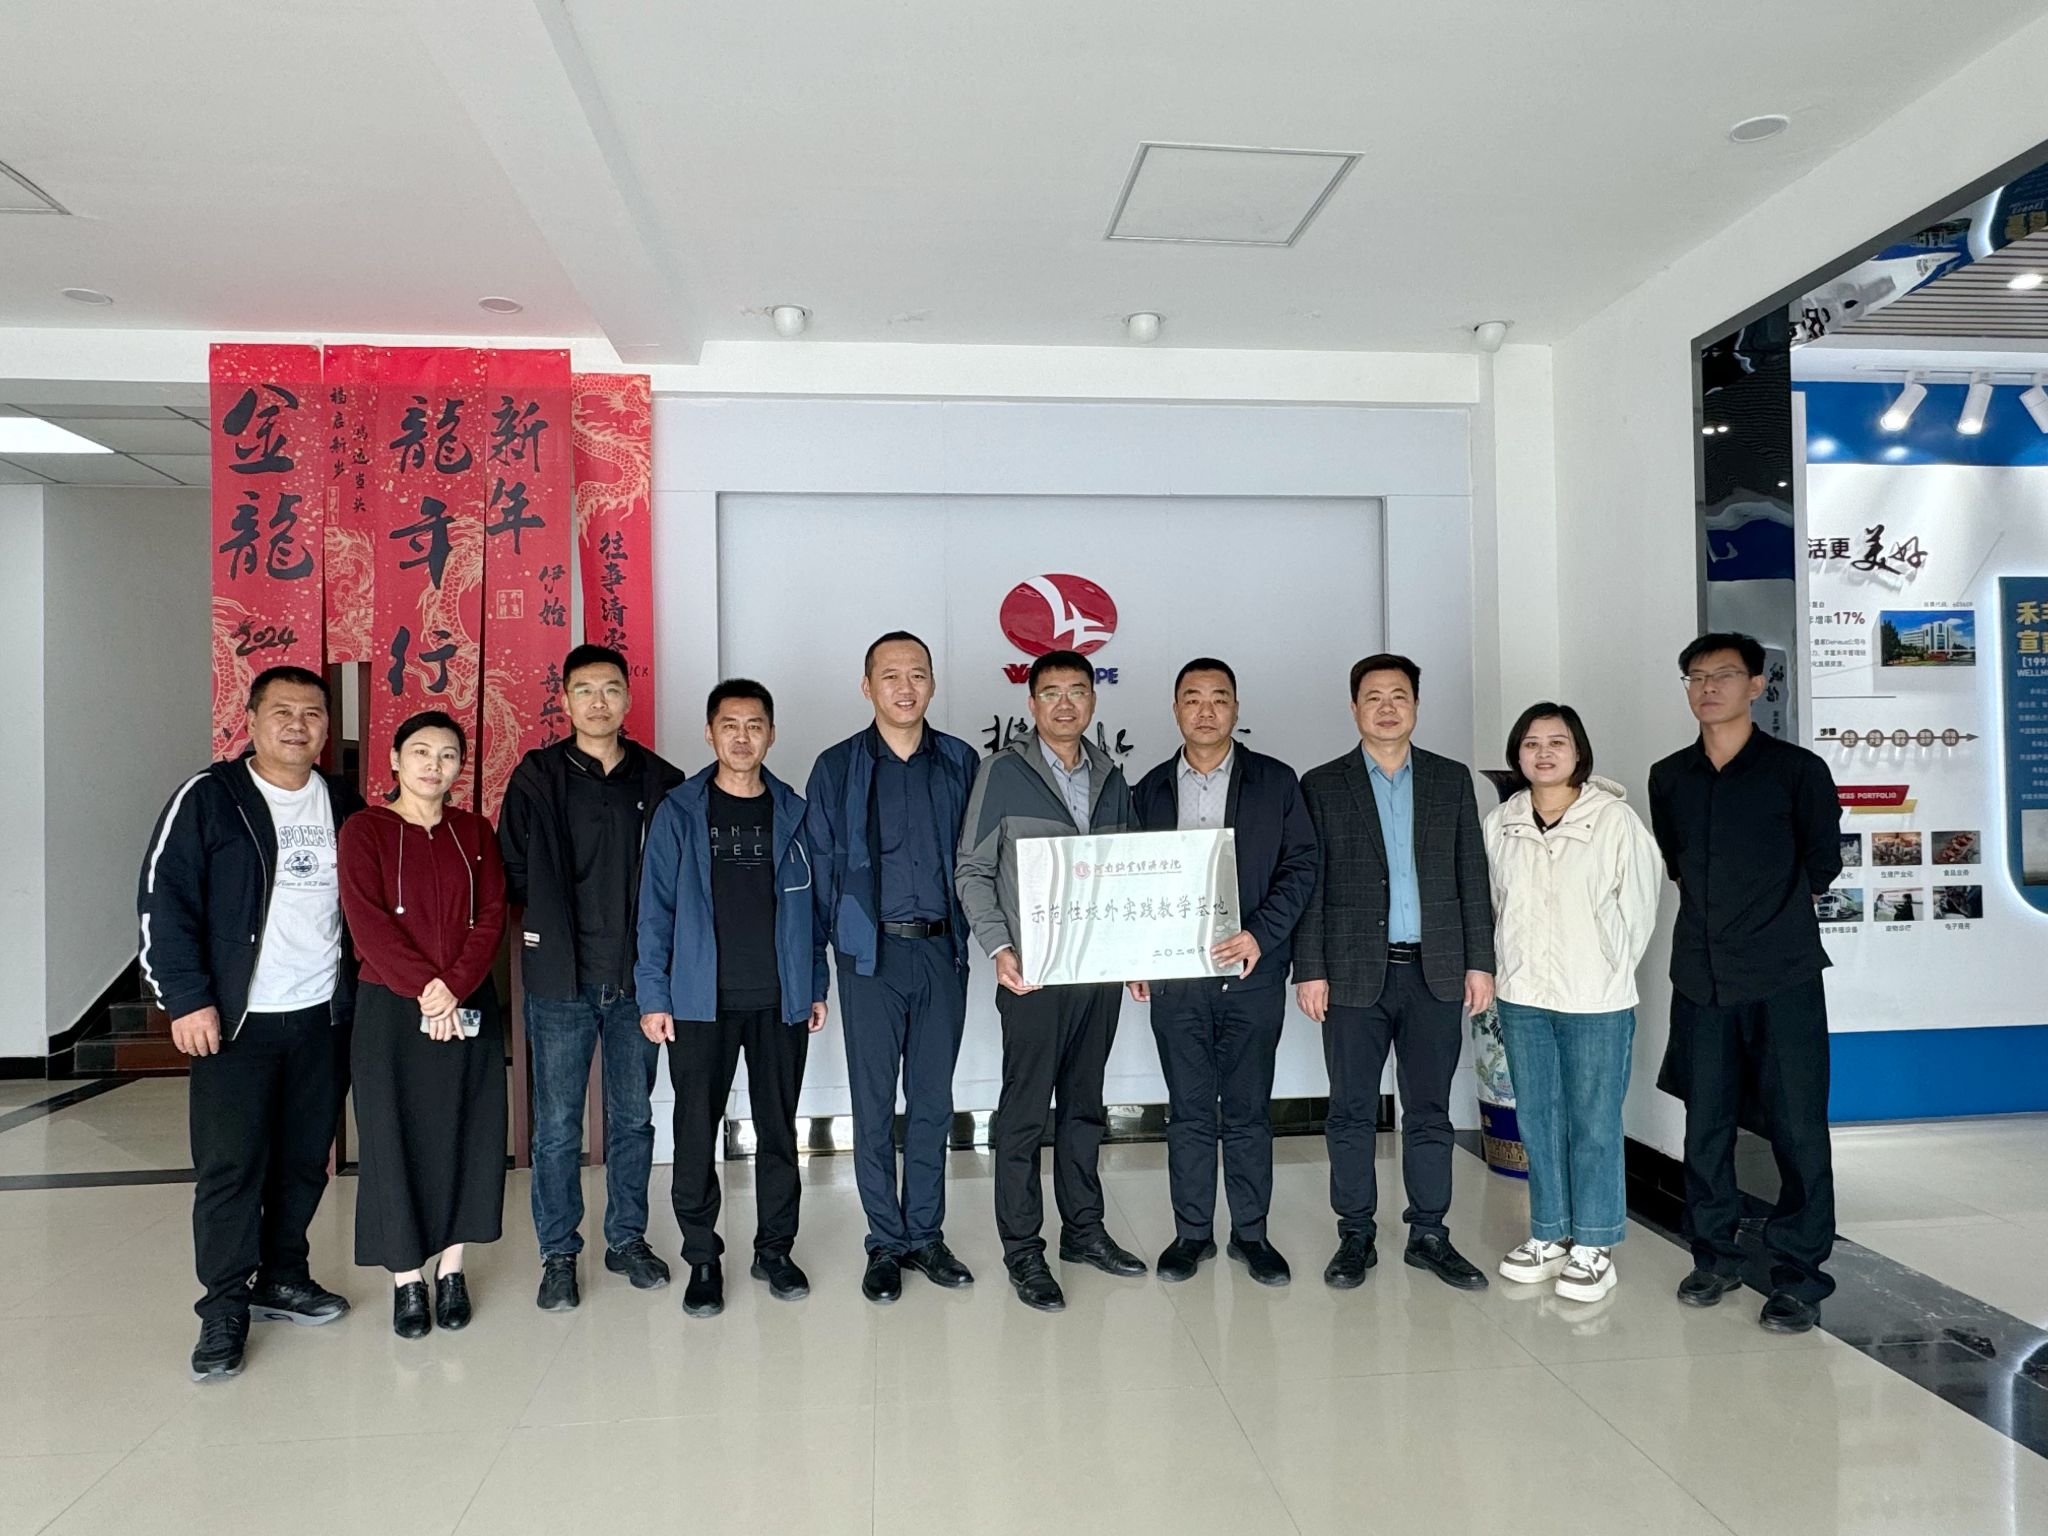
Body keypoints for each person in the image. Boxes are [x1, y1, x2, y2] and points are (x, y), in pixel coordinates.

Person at [139, 665, 364, 1382]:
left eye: (312, 714)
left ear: (327, 728)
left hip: (322, 1015)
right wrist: (185, 998)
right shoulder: (209, 798)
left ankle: (283, 1277)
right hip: (235, 1022)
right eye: (282, 712)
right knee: (232, 1167)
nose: (298, 725)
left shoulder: (344, 802)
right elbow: (164, 900)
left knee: (304, 1158)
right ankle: (224, 1306)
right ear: (253, 720)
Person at [1650, 632, 1842, 1333]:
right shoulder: (1669, 776)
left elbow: (1822, 863)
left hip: (1783, 974)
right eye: (1695, 676)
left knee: (1797, 1127)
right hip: (1701, 975)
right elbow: (1676, 863)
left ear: (1757, 685)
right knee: (1705, 1125)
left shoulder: (1797, 771)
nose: (1708, 688)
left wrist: (1768, 917)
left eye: (1724, 675)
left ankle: (1799, 1275)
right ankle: (1715, 1256)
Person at [1295, 654, 1496, 1292]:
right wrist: (1310, 969)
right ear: (1354, 708)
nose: (1387, 707)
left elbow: (1471, 875)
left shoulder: (1449, 779)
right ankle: (1355, 1232)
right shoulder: (1321, 785)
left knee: (1430, 1110)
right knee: (1351, 1110)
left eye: (1399, 695)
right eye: (1374, 697)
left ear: (1415, 705)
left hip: (1435, 971)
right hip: (1352, 973)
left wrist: (1480, 961)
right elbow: (1310, 884)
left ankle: (1429, 1233)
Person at [956, 648, 1144, 1311]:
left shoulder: (1111, 777)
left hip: (1098, 975)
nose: (1066, 703)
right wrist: (999, 947)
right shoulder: (1002, 773)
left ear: (1093, 700)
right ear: (1031, 703)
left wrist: (1135, 955)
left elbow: (1129, 870)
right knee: (1025, 1112)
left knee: (1085, 1106)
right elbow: (973, 870)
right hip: (1033, 976)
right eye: (1052, 692)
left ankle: (1084, 1231)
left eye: (1077, 691)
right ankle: (1023, 1249)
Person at [499, 643, 686, 1311]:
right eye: (584, 690)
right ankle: (558, 1253)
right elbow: (512, 868)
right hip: (560, 981)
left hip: (639, 982)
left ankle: (627, 1239)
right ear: (565, 700)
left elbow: (679, 880)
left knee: (633, 1119)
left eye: (610, 689)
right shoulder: (537, 777)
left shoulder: (662, 781)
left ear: (628, 697)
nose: (598, 702)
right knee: (556, 1127)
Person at [637, 679, 828, 1319]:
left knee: (778, 1131)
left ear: (771, 734)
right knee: (695, 1133)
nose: (742, 737)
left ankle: (775, 1251)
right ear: (710, 733)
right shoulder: (679, 812)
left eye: (754, 725)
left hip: (779, 999)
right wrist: (654, 995)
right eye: (730, 725)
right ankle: (702, 1256)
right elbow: (655, 911)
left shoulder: (794, 811)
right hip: (698, 1003)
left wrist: (815, 984)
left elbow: (815, 912)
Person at [805, 632, 982, 1304]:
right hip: (869, 957)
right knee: (873, 1103)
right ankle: (885, 1240)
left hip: (942, 951)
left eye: (917, 675)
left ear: (932, 683)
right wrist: (824, 963)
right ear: (867, 686)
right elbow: (820, 872)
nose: (905, 688)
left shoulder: (961, 761)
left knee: (933, 1102)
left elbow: (982, 862)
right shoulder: (837, 767)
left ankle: (926, 1235)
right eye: (890, 676)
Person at [1130, 658, 1318, 1286]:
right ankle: (1191, 1234)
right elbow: (1130, 880)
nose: (1206, 710)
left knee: (1247, 1108)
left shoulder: (1275, 781)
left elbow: (1301, 866)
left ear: (1236, 708)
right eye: (1193, 698)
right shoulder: (1150, 790)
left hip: (1251, 974)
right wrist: (1136, 956)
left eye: (1219, 698)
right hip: (1178, 980)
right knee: (1187, 1110)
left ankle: (1251, 1234)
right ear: (1175, 709)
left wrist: (1260, 934)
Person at [338, 711, 509, 1340]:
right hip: (390, 1006)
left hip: (467, 1001)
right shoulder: (365, 829)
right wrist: (426, 992)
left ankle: (452, 1269)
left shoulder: (475, 832)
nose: (433, 766)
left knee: (469, 1131)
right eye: (420, 752)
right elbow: (366, 920)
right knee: (393, 1135)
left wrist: (453, 988)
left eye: (446, 755)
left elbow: (491, 916)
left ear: (460, 766)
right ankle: (407, 1278)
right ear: (394, 759)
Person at [1484, 703, 1662, 1302]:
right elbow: (1493, 903)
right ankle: (1549, 1233)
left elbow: (1639, 907)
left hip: (1595, 997)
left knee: (1594, 1120)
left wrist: (1608, 966)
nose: (1544, 753)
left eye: (1556, 742)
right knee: (1538, 1117)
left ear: (1578, 751)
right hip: (1523, 995)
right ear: (1517, 754)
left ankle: (1595, 1243)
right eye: (1531, 743)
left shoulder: (1613, 819)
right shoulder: (1502, 822)